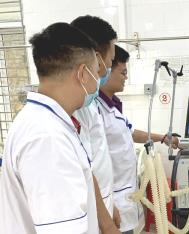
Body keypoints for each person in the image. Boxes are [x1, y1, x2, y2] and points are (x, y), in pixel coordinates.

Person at [0, 22, 100, 234]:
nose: (97, 81)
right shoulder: (47, 137)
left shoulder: (46, 123)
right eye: (96, 72)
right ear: (83, 74)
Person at [97, 45, 179, 234]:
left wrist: (162, 138)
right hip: (111, 204)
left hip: (125, 199)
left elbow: (131, 132)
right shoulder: (95, 109)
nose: (126, 77)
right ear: (105, 69)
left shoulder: (112, 106)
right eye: (123, 72)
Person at [71, 15, 120, 232]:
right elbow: (86, 171)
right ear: (97, 59)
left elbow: (98, 162)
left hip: (102, 208)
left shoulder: (90, 100)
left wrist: (112, 206)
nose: (110, 67)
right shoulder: (78, 106)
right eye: (111, 62)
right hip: (91, 218)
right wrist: (107, 224)